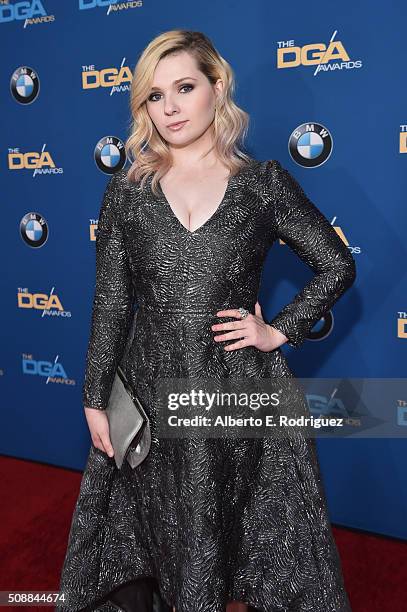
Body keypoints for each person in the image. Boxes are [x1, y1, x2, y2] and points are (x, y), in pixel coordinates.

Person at [56, 30, 356, 612]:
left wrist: (279, 330)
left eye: (184, 88)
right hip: (147, 388)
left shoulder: (263, 183)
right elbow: (113, 301)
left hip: (233, 387)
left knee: (222, 531)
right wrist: (95, 396)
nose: (168, 107)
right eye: (154, 95)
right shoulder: (126, 192)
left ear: (217, 88)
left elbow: (336, 263)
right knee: (157, 536)